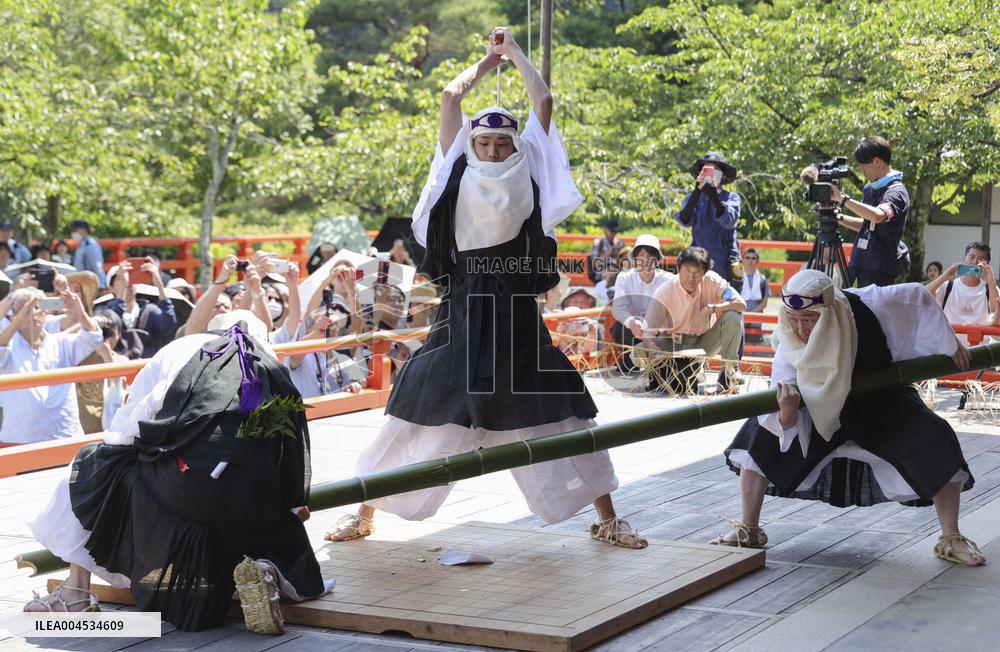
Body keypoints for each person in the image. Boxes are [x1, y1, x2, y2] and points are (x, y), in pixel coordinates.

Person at [324, 27, 645, 549]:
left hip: (516, 305)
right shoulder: (458, 166)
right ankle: (364, 510)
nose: (494, 150)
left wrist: (515, 52)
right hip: (464, 305)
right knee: (422, 405)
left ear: (515, 143)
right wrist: (488, 61)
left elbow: (543, 98)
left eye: (502, 142)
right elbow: (451, 96)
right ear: (471, 142)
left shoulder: (531, 167)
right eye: (485, 142)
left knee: (558, 409)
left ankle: (607, 518)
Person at [23, 311, 334, 633]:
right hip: (259, 502)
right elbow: (294, 450)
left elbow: (132, 424)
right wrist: (293, 506)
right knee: (247, 493)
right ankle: (267, 569)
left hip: (192, 488)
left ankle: (75, 592)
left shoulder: (186, 348)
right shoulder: (271, 366)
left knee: (90, 466)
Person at [715, 270, 985, 567]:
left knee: (936, 435)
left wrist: (949, 343)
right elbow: (782, 408)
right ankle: (748, 528)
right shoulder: (788, 343)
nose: (800, 329)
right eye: (793, 318)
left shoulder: (870, 302)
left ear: (827, 311)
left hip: (882, 400)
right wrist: (788, 414)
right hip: (818, 412)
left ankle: (951, 537)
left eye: (809, 320)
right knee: (756, 434)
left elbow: (917, 295)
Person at [0, 288, 102, 442]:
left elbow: (93, 339)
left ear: (46, 312)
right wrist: (19, 320)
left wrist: (80, 315)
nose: (32, 312)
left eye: (37, 307)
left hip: (64, 434)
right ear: (13, 316)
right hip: (19, 438)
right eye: (24, 308)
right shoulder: (9, 346)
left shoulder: (61, 342)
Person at [642, 246, 747, 391]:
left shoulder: (712, 280)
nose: (692, 277)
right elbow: (647, 332)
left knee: (733, 317)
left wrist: (712, 308)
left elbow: (741, 304)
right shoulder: (665, 291)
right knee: (639, 350)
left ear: (705, 272)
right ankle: (669, 373)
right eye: (687, 271)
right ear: (678, 269)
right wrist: (654, 351)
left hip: (704, 343)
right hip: (673, 342)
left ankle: (728, 374)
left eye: (697, 272)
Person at [829, 137, 909, 288]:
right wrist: (839, 218)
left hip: (879, 268)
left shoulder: (897, 191)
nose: (861, 170)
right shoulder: (870, 189)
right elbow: (868, 224)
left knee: (870, 311)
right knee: (848, 308)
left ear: (877, 161)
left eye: (863, 164)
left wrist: (843, 199)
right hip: (859, 262)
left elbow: (878, 216)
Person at [610, 234, 673, 372]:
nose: (646, 260)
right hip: (634, 330)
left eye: (651, 255)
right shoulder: (624, 277)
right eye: (642, 255)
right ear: (635, 258)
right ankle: (630, 362)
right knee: (618, 328)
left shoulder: (669, 280)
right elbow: (618, 307)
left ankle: (658, 364)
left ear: (657, 259)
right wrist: (631, 322)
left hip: (659, 331)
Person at [675, 152, 741, 283]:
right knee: (696, 298)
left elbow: (729, 221)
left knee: (733, 298)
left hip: (728, 260)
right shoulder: (692, 198)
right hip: (699, 259)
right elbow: (684, 220)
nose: (712, 172)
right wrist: (697, 191)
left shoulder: (732, 197)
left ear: (723, 176)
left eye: (716, 169)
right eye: (707, 169)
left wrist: (713, 197)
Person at [926, 242, 999, 346]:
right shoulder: (948, 286)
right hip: (951, 350)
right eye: (971, 257)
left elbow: (996, 313)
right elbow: (921, 296)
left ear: (987, 264)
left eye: (981, 259)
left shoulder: (991, 287)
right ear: (963, 260)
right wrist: (943, 277)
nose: (975, 262)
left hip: (982, 352)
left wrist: (991, 282)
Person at [555, 287, 600, 357]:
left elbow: (588, 355)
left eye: (584, 302)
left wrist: (592, 331)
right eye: (575, 302)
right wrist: (561, 334)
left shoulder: (596, 326)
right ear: (566, 305)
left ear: (590, 306)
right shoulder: (558, 323)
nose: (579, 305)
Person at [739, 248, 770, 344]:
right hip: (740, 313)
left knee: (754, 343)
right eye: (747, 258)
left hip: (756, 316)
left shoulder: (762, 279)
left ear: (757, 261)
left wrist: (751, 315)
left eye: (753, 258)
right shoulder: (736, 277)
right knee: (738, 343)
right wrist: (745, 315)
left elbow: (764, 303)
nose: (750, 261)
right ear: (742, 260)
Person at [69, 220, 106, 288]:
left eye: (75, 230)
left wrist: (101, 286)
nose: (74, 233)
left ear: (84, 230)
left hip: (91, 284)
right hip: (83, 283)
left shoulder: (91, 245)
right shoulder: (81, 245)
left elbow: (96, 267)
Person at [588, 218, 625, 283]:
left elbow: (624, 262)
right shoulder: (598, 243)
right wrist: (608, 253)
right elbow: (594, 263)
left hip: (617, 275)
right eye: (612, 231)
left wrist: (620, 254)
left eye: (615, 232)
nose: (613, 234)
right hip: (601, 277)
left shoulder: (619, 243)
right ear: (605, 230)